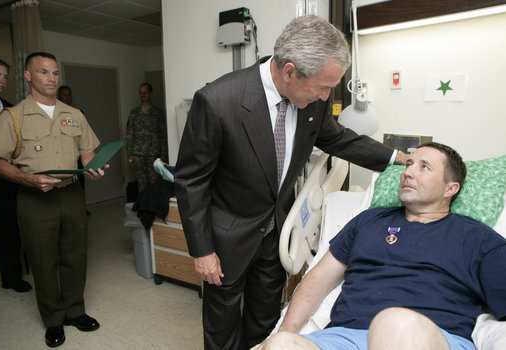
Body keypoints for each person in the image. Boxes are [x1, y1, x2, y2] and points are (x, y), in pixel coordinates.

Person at [174, 15, 408, 350]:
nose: (327, 96)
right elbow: (190, 180)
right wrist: (202, 250)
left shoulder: (311, 105)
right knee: (222, 328)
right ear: (289, 71)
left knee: (265, 322)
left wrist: (396, 158)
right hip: (228, 238)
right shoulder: (218, 101)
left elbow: (340, 139)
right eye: (323, 87)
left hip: (277, 235)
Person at [253, 142, 506, 350]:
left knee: (394, 324)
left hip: (428, 338)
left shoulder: (479, 239)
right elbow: (317, 281)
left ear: (450, 188)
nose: (408, 172)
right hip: (344, 339)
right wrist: (279, 334)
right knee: (281, 345)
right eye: (408, 164)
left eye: (424, 167)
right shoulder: (367, 222)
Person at [0, 52, 108, 348]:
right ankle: (54, 319)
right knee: (44, 261)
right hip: (34, 197)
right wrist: (26, 178)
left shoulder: (74, 114)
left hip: (70, 193)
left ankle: (75, 311)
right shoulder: (13, 117)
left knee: (75, 255)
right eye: (43, 72)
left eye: (55, 72)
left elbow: (87, 151)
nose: (52, 78)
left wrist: (92, 165)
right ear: (28, 76)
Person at [0, 56, 32, 307]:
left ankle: (12, 277)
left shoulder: (9, 109)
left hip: (5, 177)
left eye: (5, 76)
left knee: (8, 229)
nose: (3, 80)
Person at [126, 82, 167, 193]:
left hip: (154, 155)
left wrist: (163, 154)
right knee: (142, 186)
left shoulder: (158, 113)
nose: (143, 95)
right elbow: (129, 134)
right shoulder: (134, 113)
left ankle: (154, 209)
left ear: (150, 94)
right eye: (141, 93)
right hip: (138, 156)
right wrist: (129, 155)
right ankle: (143, 209)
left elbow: (163, 134)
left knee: (155, 184)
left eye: (145, 92)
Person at [57, 85, 89, 215]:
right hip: (61, 158)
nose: (67, 98)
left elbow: (84, 137)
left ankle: (80, 210)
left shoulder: (78, 114)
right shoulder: (54, 114)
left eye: (69, 95)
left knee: (79, 186)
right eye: (64, 95)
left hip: (77, 157)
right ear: (59, 96)